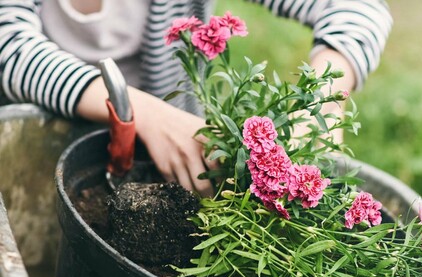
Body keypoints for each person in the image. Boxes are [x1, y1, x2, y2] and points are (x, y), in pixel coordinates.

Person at [0, 0, 393, 195]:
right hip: (27, 161)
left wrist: (322, 99)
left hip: (170, 170)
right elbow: (10, 48)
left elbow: (357, 8)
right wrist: (143, 112)